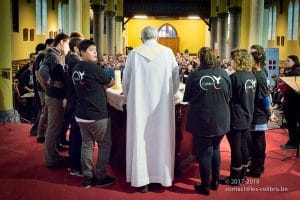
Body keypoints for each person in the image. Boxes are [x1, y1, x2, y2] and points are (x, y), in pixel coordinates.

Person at [122, 26, 180, 193]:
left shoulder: (134, 54)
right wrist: (171, 94)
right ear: (157, 38)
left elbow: (126, 80)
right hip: (161, 106)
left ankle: (142, 180)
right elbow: (175, 79)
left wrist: (129, 95)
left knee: (140, 138)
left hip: (139, 105)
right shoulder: (168, 53)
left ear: (142, 38)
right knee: (161, 138)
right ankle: (161, 178)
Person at [183, 47, 231, 195]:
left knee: (205, 151)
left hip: (203, 118)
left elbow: (187, 98)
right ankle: (215, 182)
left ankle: (205, 186)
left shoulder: (195, 75)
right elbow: (229, 95)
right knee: (215, 148)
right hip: (222, 117)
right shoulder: (224, 73)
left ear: (201, 58)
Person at [72, 39, 115, 188]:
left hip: (81, 113)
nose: (95, 52)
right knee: (104, 145)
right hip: (97, 114)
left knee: (87, 145)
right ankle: (101, 177)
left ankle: (88, 177)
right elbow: (110, 83)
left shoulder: (76, 67)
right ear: (82, 52)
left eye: (95, 50)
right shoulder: (93, 68)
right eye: (91, 50)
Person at [219, 49, 256, 186]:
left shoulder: (235, 77)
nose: (231, 62)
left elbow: (227, 97)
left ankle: (234, 178)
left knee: (236, 148)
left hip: (236, 116)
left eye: (233, 59)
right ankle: (242, 175)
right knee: (244, 146)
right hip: (247, 114)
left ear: (238, 61)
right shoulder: (251, 75)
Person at [43, 33, 70, 168]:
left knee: (55, 127)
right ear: (61, 42)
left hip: (55, 95)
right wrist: (52, 82)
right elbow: (42, 72)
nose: (68, 47)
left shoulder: (55, 55)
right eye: (67, 44)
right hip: (54, 96)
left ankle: (53, 155)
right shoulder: (52, 55)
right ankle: (51, 160)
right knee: (53, 129)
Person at [247, 50, 271, 178]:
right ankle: (255, 165)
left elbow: (264, 97)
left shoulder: (260, 76)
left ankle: (257, 168)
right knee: (254, 142)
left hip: (259, 114)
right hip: (255, 113)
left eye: (251, 60)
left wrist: (269, 111)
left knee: (258, 142)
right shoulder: (255, 73)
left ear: (258, 63)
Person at [280, 57, 300, 150]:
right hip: (293, 101)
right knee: (293, 123)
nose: (286, 62)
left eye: (288, 61)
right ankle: (294, 141)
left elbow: (285, 88)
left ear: (294, 62)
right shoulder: (291, 72)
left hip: (293, 102)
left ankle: (293, 143)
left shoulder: (293, 74)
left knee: (292, 123)